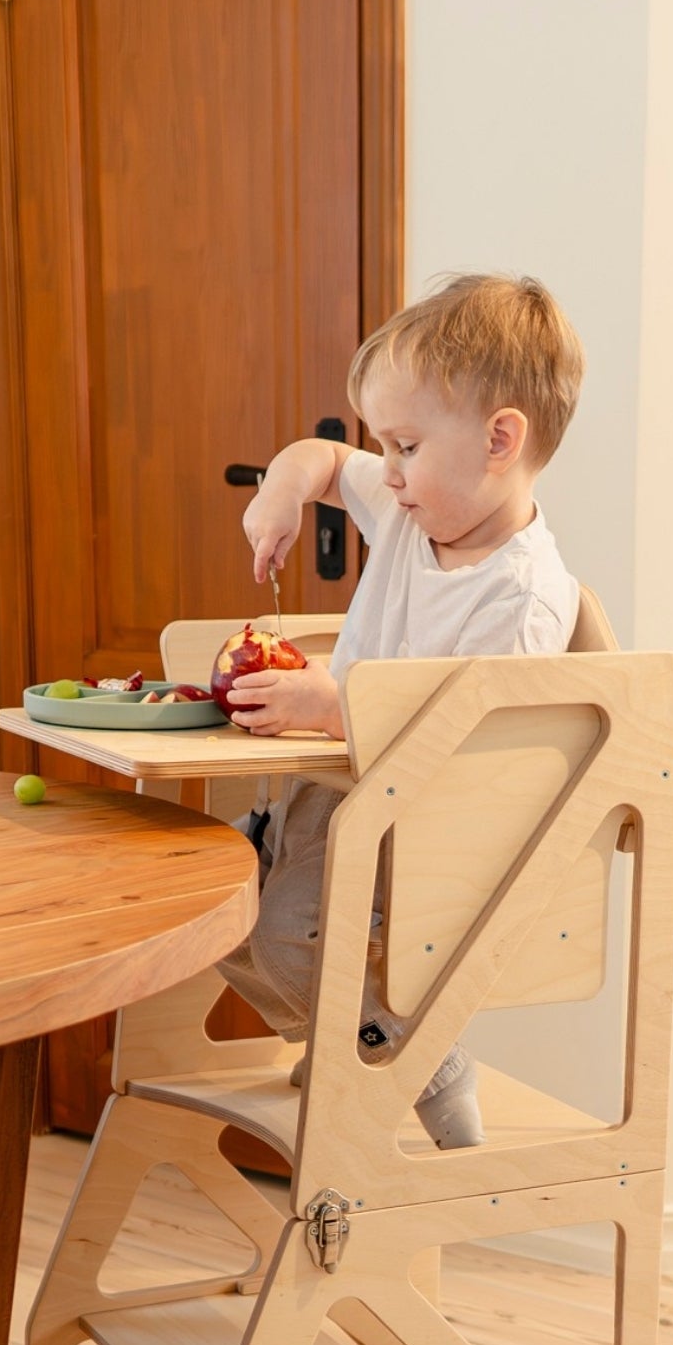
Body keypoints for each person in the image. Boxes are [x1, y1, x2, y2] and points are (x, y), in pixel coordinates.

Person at [219, 271, 588, 1150]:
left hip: (411, 830)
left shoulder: (524, 596)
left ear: (501, 440)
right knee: (216, 915)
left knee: (280, 937)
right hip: (332, 792)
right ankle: (350, 1034)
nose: (385, 471)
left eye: (407, 446)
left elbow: (463, 742)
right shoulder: (412, 512)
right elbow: (318, 455)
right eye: (384, 446)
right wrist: (281, 492)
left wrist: (334, 707)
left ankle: (415, 1054)